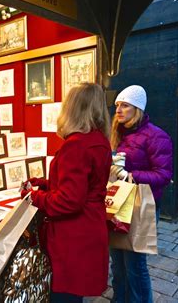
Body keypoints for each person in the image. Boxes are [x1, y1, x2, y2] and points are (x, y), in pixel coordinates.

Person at [21, 83, 112, 302]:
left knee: (64, 296)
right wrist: (45, 183)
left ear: (72, 108)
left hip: (73, 236)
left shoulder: (77, 145)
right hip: (89, 229)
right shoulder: (99, 141)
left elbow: (69, 201)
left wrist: (34, 197)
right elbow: (85, 185)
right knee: (74, 294)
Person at [109, 85, 173, 302]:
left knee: (135, 264)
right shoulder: (118, 134)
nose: (118, 110)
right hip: (119, 203)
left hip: (140, 205)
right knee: (117, 261)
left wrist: (130, 175)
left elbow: (164, 174)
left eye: (125, 105)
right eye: (117, 105)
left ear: (137, 108)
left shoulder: (156, 136)